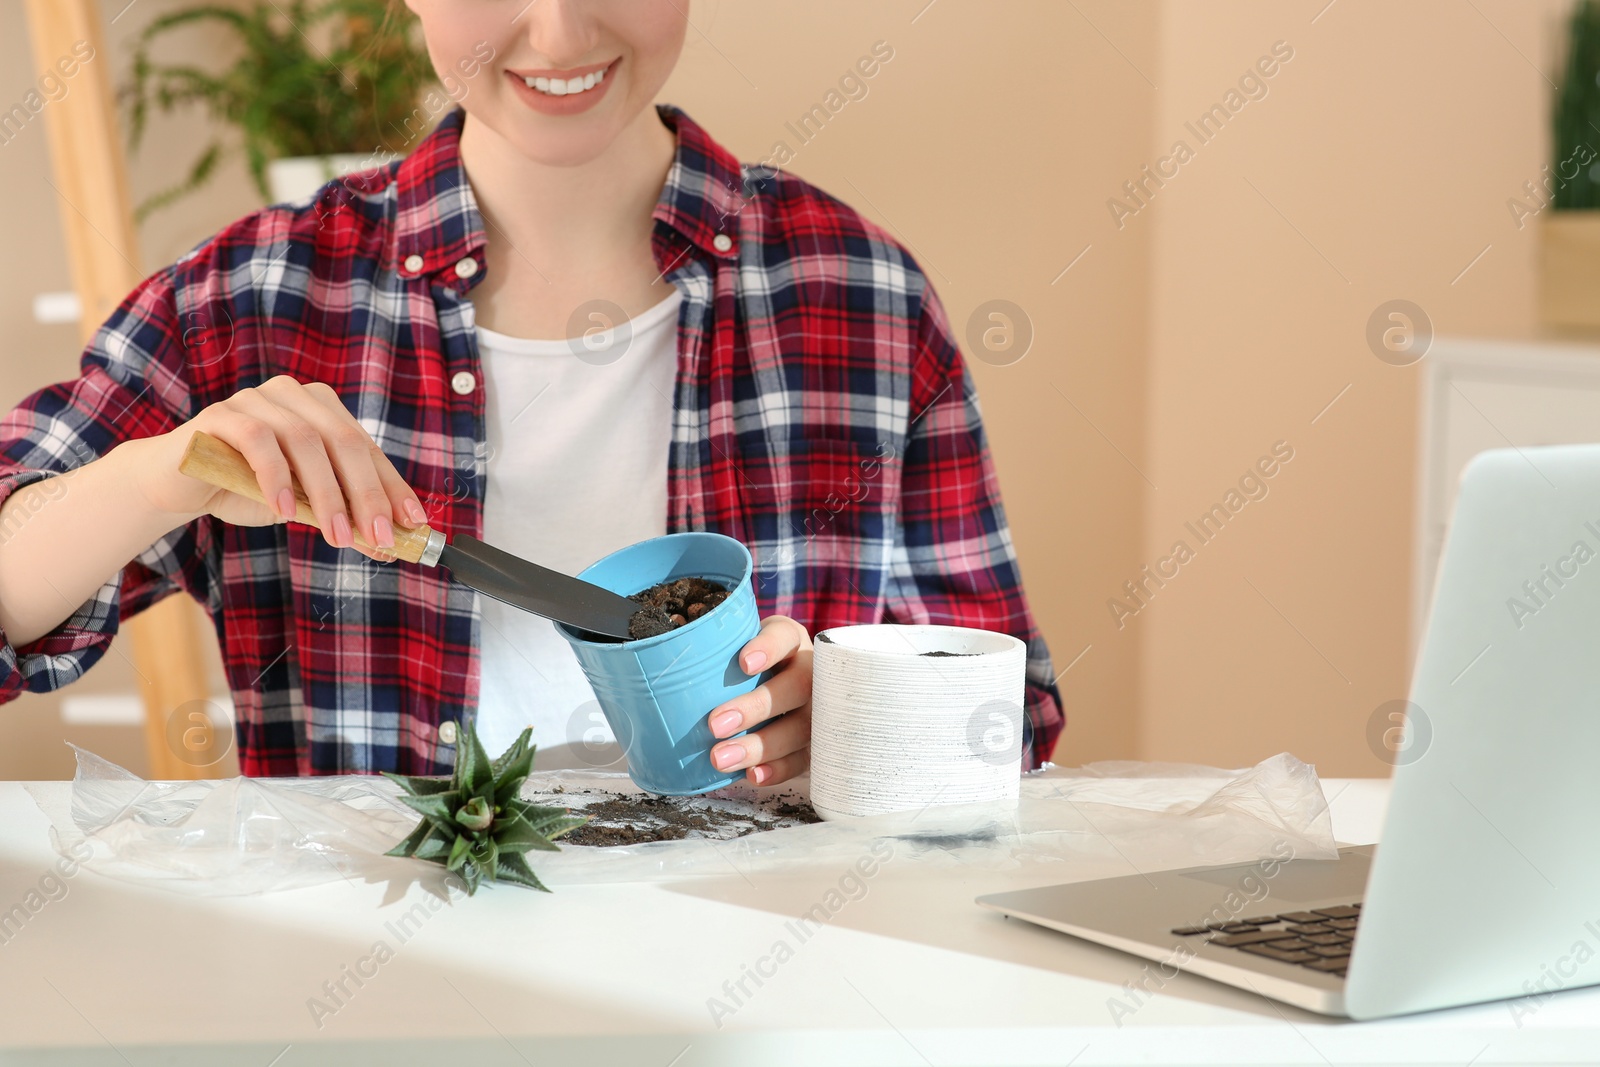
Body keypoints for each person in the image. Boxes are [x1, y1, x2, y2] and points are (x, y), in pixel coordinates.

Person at [0, 0, 1062, 783]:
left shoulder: (858, 296)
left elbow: (1011, 717)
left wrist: (862, 721)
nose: (557, 34)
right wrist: (155, 477)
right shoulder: (251, 300)